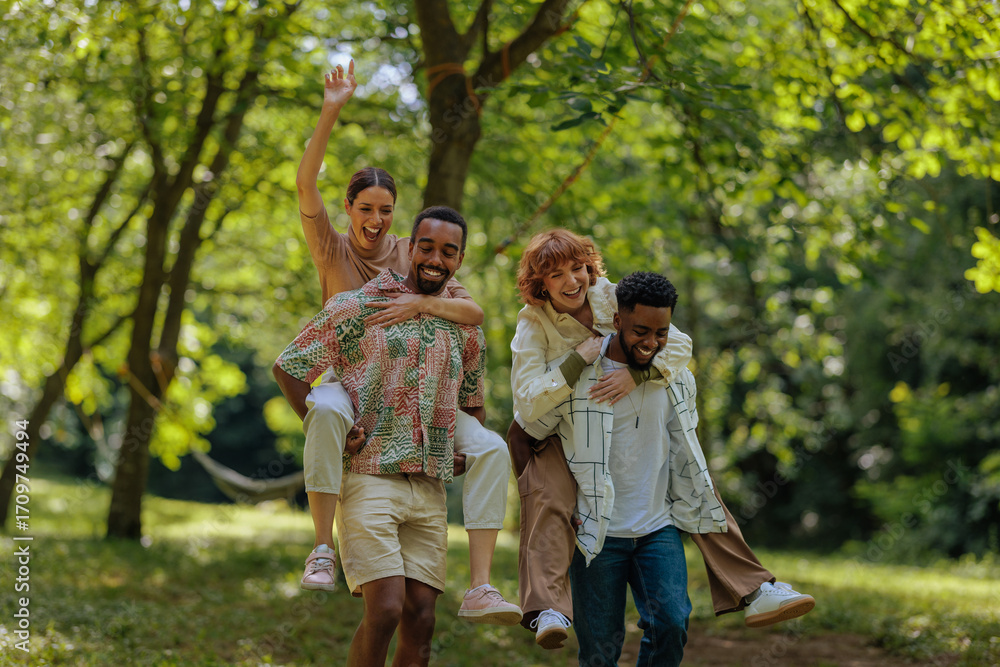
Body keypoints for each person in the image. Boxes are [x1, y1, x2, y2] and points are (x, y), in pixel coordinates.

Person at [508, 231, 814, 650]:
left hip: (645, 497)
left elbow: (674, 341)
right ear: (541, 283)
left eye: (578, 268)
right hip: (555, 419)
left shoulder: (609, 295)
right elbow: (527, 408)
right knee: (551, 501)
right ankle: (546, 606)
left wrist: (638, 373)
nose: (572, 281)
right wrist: (578, 361)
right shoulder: (533, 324)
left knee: (697, 482)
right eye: (556, 274)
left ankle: (757, 588)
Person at [292, 61, 519, 623]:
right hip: (347, 383)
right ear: (348, 210)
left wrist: (420, 302)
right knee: (323, 410)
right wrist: (332, 109)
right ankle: (322, 547)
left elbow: (470, 311)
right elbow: (304, 183)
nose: (374, 219)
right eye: (364, 209)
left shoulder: (410, 252)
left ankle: (482, 584)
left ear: (397, 217)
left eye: (384, 210)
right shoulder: (332, 248)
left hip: (410, 396)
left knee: (490, 447)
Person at [273, 207, 507, 666]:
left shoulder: (464, 327)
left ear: (459, 260)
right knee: (384, 609)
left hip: (428, 488)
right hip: (368, 478)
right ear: (408, 248)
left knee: (421, 622)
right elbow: (290, 368)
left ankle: (482, 584)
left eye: (449, 251)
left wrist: (466, 443)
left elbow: (472, 398)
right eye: (427, 247)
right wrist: (331, 429)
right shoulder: (355, 307)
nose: (436, 259)